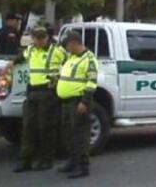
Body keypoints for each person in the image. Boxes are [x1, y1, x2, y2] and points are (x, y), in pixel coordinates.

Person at [11, 26, 67, 173]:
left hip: (48, 92)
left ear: (47, 37)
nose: (39, 40)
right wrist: (12, 62)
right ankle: (25, 160)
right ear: (33, 38)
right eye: (37, 38)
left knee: (46, 127)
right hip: (32, 91)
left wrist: (59, 78)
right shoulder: (31, 49)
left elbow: (69, 65)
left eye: (42, 37)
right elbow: (21, 57)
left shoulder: (57, 51)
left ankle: (46, 159)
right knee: (28, 127)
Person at [56, 31, 99, 179]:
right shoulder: (72, 57)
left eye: (67, 45)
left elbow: (92, 83)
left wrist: (84, 102)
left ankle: (82, 165)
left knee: (80, 135)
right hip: (67, 102)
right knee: (68, 133)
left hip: (79, 101)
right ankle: (72, 161)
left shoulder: (89, 59)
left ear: (74, 43)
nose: (66, 49)